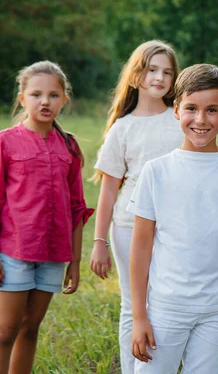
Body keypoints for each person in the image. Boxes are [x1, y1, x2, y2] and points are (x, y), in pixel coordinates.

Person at [128, 64, 218, 373]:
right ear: (177, 109)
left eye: (212, 110)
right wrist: (139, 316)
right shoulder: (156, 171)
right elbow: (140, 247)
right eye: (191, 108)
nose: (201, 120)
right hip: (165, 308)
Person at [88, 40, 182, 373]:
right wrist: (99, 242)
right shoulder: (123, 127)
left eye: (167, 72)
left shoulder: (180, 118)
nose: (159, 78)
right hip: (128, 226)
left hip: (175, 227)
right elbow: (109, 189)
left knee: (167, 300)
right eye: (152, 70)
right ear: (136, 75)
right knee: (134, 304)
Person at [0, 61, 94, 373]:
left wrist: (76, 260)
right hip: (14, 252)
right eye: (36, 94)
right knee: (5, 332)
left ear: (64, 100)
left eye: (53, 95)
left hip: (54, 254)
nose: (45, 101)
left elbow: (77, 207)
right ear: (22, 97)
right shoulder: (5, 142)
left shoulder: (69, 145)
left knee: (30, 328)